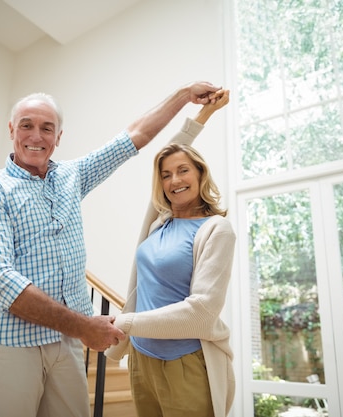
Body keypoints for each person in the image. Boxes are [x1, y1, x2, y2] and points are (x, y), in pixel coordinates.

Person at [0, 81, 223, 417]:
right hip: (4, 344)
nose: (36, 136)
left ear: (59, 137)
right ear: (12, 129)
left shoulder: (72, 176)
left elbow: (134, 136)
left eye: (47, 128)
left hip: (65, 345)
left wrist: (184, 96)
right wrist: (83, 327)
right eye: (26, 126)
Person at [105, 90, 235, 417]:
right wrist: (203, 114)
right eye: (166, 175)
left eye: (183, 170)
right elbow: (168, 150)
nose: (174, 180)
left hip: (184, 365)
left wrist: (126, 323)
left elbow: (202, 312)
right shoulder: (157, 223)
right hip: (141, 359)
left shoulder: (215, 230)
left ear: (200, 174)